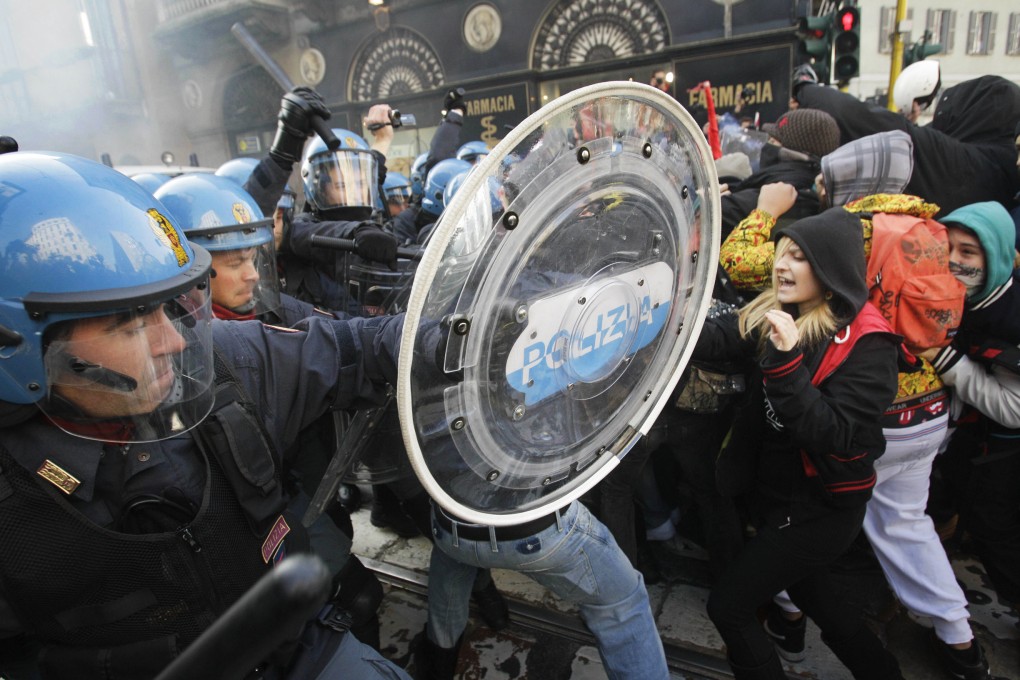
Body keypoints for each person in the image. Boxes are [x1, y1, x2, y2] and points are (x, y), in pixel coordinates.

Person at [0, 151, 412, 679]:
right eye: (130, 325)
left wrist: (452, 335)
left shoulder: (228, 364)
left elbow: (355, 347)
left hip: (298, 651)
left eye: (167, 308)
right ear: (17, 345)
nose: (174, 341)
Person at [722, 131, 991, 679]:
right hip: (925, 411)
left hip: (860, 432)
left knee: (735, 599)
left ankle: (791, 625)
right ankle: (956, 644)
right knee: (898, 532)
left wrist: (766, 215)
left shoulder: (852, 243)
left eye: (827, 178)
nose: (785, 262)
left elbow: (742, 263)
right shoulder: (923, 227)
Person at [696, 208, 904, 679]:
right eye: (781, 253)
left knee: (727, 608)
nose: (781, 265)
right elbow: (723, 338)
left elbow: (835, 432)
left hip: (820, 511)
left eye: (799, 257)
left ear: (829, 270)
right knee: (820, 601)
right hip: (776, 496)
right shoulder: (780, 310)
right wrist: (662, 325)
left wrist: (787, 362)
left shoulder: (869, 345)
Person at [927, 201, 1020, 626]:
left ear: (996, 256)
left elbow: (1014, 409)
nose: (954, 260)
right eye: (947, 247)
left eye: (969, 252)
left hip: (1003, 453)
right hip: (970, 444)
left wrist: (948, 365)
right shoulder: (958, 296)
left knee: (997, 535)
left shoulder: (1011, 317)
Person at [794, 73, 1020, 217]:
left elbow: (861, 119)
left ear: (966, 113)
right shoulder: (1006, 166)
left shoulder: (961, 161)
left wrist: (805, 87)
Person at [720, 108, 840, 239]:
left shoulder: (773, 196)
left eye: (772, 141)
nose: (767, 146)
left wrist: (714, 202)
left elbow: (703, 218)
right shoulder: (819, 196)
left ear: (790, 153)